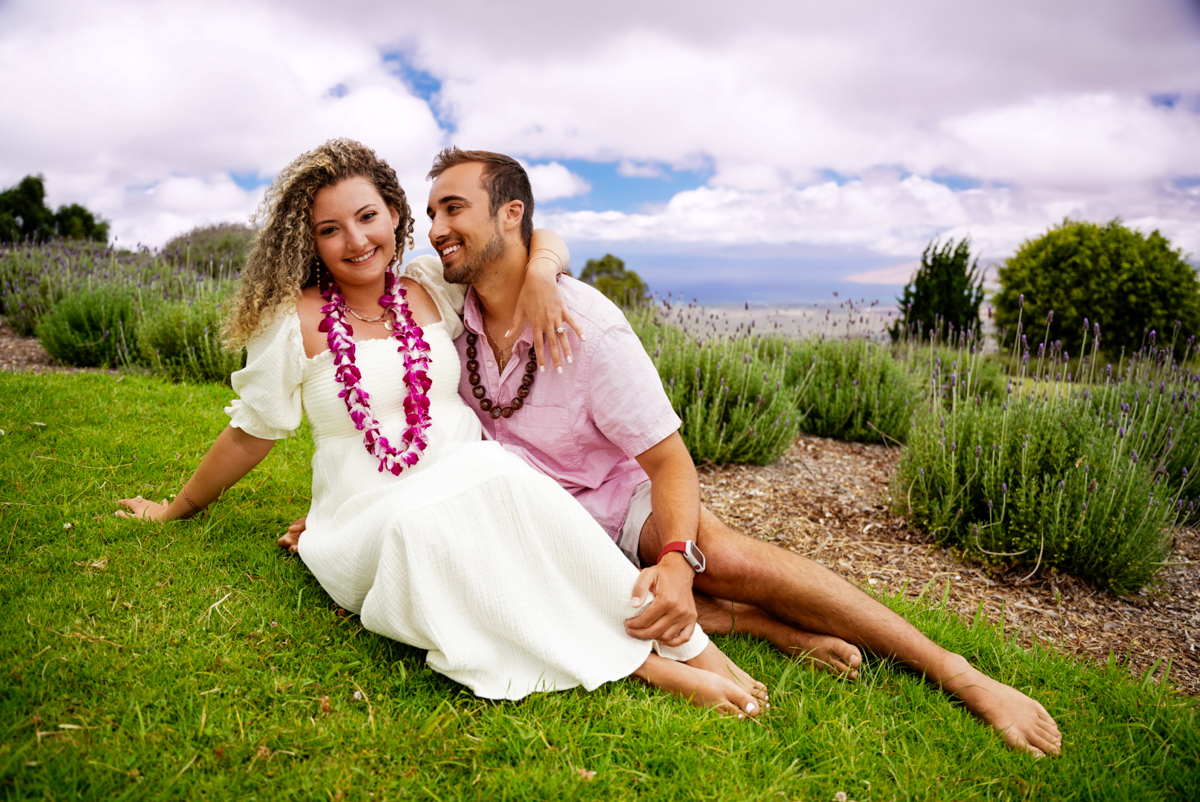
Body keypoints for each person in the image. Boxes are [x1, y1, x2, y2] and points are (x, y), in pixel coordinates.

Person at [288, 146, 1061, 756]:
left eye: (454, 208)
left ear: (509, 214)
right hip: (521, 513)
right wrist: (342, 512)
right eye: (430, 212)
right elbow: (388, 399)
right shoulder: (443, 297)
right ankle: (752, 626)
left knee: (722, 554)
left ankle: (959, 675)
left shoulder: (584, 324)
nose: (437, 227)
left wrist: (677, 559)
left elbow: (670, 465)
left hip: (609, 503)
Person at [117, 138, 768, 715]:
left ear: (395, 216)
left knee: (507, 481)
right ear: (308, 242)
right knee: (440, 517)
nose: (356, 241)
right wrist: (177, 508)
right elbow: (249, 432)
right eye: (330, 229)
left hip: (479, 484)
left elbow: (533, 237)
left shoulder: (430, 286)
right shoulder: (293, 323)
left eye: (368, 217)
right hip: (370, 514)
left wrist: (543, 273)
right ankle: (652, 665)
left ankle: (692, 640)